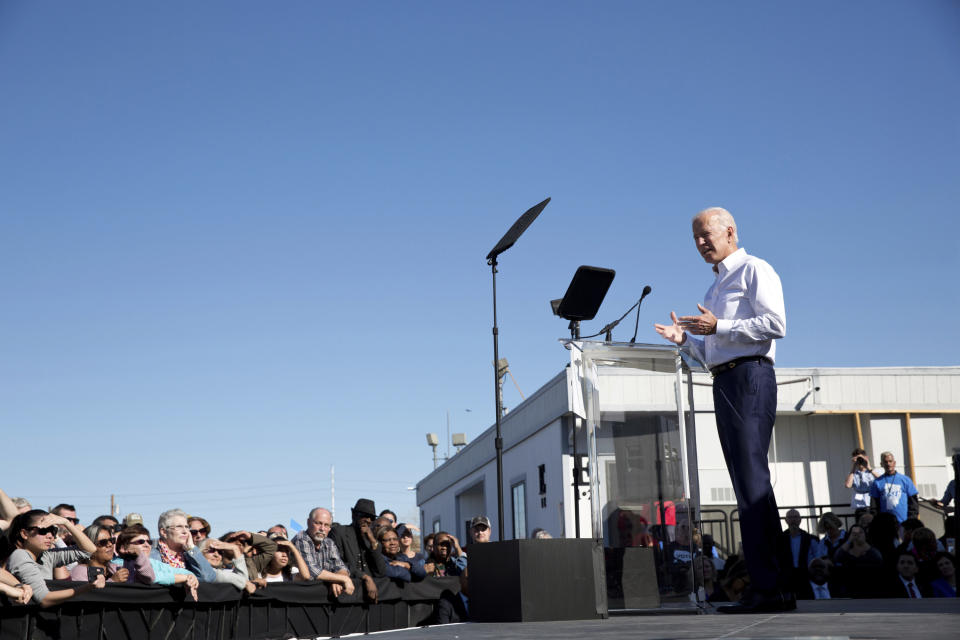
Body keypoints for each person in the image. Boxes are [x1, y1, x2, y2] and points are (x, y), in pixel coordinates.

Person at [654, 207, 789, 614]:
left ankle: (770, 589)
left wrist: (720, 328)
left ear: (730, 231)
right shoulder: (714, 290)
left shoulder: (754, 270)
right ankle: (771, 588)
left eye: (705, 235)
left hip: (751, 377)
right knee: (746, 485)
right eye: (694, 238)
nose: (700, 243)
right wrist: (685, 341)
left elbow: (775, 323)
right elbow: (712, 354)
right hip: (725, 379)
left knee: (752, 484)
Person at [1, 510, 103, 606]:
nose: (50, 536)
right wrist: (88, 587)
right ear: (24, 534)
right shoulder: (19, 555)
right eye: (43, 530)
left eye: (53, 530)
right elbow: (44, 599)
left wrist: (66, 523)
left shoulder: (46, 555)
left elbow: (89, 551)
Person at [116, 524, 198, 597]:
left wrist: (191, 578)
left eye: (149, 542)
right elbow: (151, 576)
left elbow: (183, 572)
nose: (146, 545)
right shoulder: (116, 564)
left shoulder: (155, 563)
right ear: (124, 548)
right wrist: (183, 578)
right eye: (140, 542)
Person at [331, 499, 387, 601]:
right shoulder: (339, 532)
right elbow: (338, 563)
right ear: (354, 515)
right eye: (364, 516)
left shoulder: (372, 539)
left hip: (370, 599)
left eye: (372, 518)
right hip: (347, 596)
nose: (369, 520)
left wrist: (372, 542)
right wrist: (365, 577)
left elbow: (381, 572)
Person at [290, 507, 355, 596]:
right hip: (299, 596)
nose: (322, 528)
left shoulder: (329, 543)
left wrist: (337, 579)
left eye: (326, 525)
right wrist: (344, 579)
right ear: (308, 522)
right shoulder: (301, 538)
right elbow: (311, 571)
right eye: (318, 523)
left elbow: (341, 567)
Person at [150, 509, 216, 582]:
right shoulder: (152, 556)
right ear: (164, 532)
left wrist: (191, 548)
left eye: (186, 527)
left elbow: (208, 578)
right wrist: (184, 577)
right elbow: (151, 577)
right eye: (179, 527)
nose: (185, 531)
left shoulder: (190, 556)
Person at [69, 524, 149, 584]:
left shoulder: (115, 568)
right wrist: (113, 581)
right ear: (88, 547)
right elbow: (87, 596)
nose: (110, 544)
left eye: (112, 540)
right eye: (103, 542)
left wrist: (139, 555)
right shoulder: (80, 571)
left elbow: (148, 579)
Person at [776, 510, 823, 596]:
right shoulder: (779, 540)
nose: (793, 520)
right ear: (786, 520)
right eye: (790, 517)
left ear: (800, 520)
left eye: (795, 517)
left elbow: (818, 558)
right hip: (786, 576)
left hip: (805, 576)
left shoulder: (811, 539)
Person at [832, 524, 884, 598]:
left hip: (870, 590)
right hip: (850, 591)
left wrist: (863, 542)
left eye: (860, 532)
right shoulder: (846, 551)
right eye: (854, 533)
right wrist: (850, 540)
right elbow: (837, 557)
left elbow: (878, 558)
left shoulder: (872, 551)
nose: (857, 535)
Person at [869, 452, 919, 524]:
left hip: (904, 523)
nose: (888, 464)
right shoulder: (877, 482)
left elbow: (913, 503)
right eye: (885, 462)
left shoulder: (905, 480)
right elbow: (874, 506)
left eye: (890, 461)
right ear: (881, 464)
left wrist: (911, 520)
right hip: (885, 524)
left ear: (894, 463)